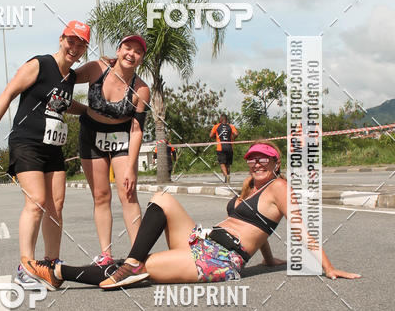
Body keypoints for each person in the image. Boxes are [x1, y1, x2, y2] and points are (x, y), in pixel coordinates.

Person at [40, 141, 360, 289]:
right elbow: (260, 226)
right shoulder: (251, 186)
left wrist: (328, 268)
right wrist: (269, 258)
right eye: (253, 159)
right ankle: (132, 261)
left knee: (144, 269)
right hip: (202, 239)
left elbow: (300, 229)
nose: (257, 163)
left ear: (277, 163)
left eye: (265, 159)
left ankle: (59, 271)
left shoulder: (279, 187)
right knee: (163, 199)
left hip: (220, 259)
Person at [0, 20, 90, 290]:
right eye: (70, 40)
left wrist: (88, 111)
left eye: (81, 44)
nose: (74, 47)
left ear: (85, 49)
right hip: (26, 142)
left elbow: (63, 103)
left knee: (56, 205)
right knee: (37, 201)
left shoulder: (71, 77)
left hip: (52, 146)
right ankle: (25, 266)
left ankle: (50, 264)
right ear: (61, 39)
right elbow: (9, 92)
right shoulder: (39, 64)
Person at [69, 34, 150, 268]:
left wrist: (132, 168)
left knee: (128, 193)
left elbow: (136, 130)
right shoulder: (97, 69)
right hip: (91, 136)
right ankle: (106, 255)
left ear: (141, 59)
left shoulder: (141, 89)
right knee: (101, 196)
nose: (131, 54)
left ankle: (137, 256)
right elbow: (66, 78)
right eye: (127, 48)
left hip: (122, 139)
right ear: (118, 50)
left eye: (137, 51)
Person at [210, 114, 238, 184]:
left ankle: (226, 176)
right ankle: (227, 177)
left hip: (220, 147)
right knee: (228, 164)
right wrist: (232, 138)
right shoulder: (231, 126)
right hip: (229, 147)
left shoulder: (216, 126)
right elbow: (236, 134)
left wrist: (216, 138)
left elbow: (210, 135)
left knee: (222, 163)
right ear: (226, 119)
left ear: (220, 119)